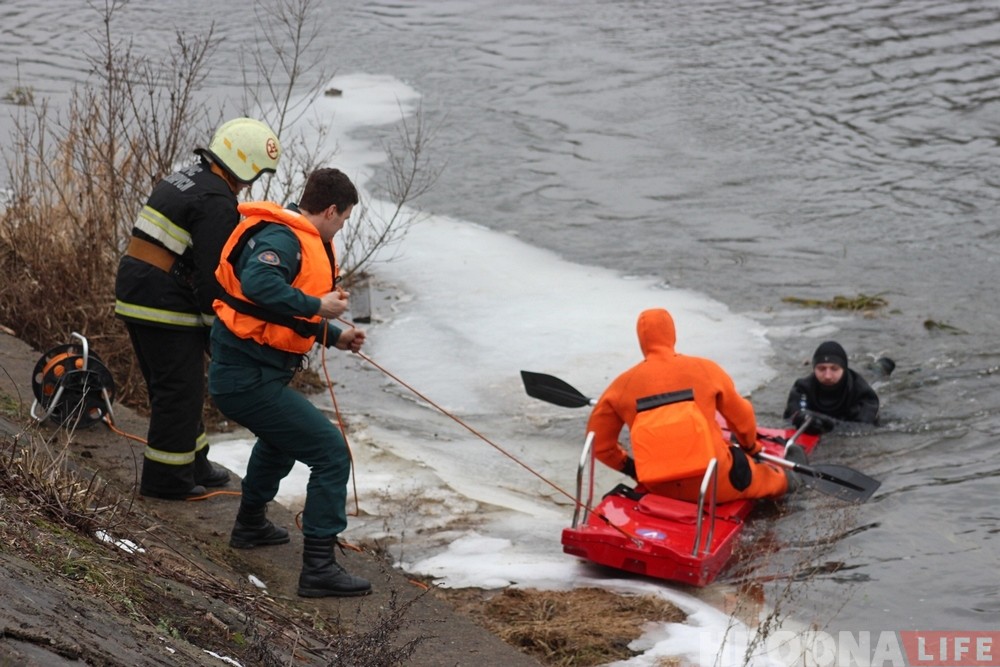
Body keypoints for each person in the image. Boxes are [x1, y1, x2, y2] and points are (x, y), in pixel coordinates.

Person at [207, 167, 371, 598]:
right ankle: (318, 568)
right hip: (245, 379)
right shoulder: (283, 238)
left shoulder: (295, 236)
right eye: (344, 220)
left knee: (280, 441)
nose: (341, 229)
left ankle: (249, 525)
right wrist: (319, 305)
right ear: (332, 210)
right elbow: (260, 285)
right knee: (332, 453)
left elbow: (277, 315)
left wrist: (337, 336)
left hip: (253, 375)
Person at [115, 118, 282, 500]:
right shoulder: (216, 202)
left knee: (178, 386)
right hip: (161, 301)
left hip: (140, 290)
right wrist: (217, 330)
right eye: (252, 175)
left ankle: (194, 462)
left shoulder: (189, 177)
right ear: (243, 164)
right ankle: (166, 482)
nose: (249, 185)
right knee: (179, 390)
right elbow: (212, 277)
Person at [587, 308, 801, 504]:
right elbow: (742, 416)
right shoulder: (704, 369)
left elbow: (599, 445)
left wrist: (633, 469)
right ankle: (791, 480)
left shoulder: (621, 386)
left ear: (641, 341)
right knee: (770, 478)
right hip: (716, 483)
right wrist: (751, 447)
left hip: (659, 488)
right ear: (672, 335)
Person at [782, 341, 880, 428]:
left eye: (834, 369)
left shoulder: (863, 393)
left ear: (844, 369)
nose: (827, 376)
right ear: (814, 368)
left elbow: (865, 428)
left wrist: (829, 424)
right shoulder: (802, 388)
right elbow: (790, 419)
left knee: (876, 373)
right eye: (821, 369)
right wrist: (801, 418)